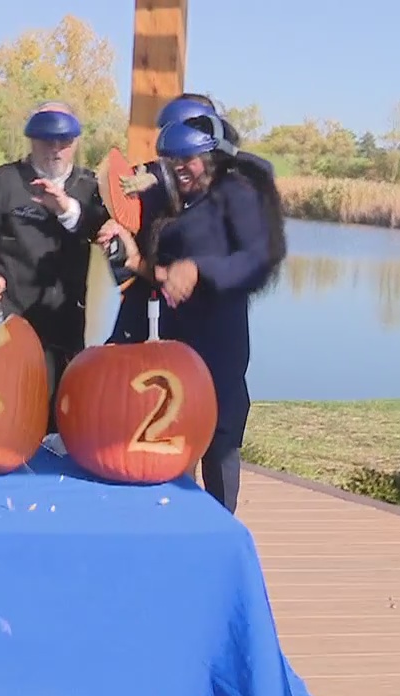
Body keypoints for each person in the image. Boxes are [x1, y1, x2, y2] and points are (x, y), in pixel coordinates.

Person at [103, 112, 287, 513]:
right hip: (176, 343)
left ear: (214, 153)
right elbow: (164, 277)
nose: (179, 168)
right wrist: (133, 262)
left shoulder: (237, 192)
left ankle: (221, 527)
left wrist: (200, 268)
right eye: (171, 160)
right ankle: (179, 526)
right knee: (175, 433)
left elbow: (258, 258)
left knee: (219, 441)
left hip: (220, 339)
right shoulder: (171, 202)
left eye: (189, 159)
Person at [0, 101, 111, 434]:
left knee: (55, 422)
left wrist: (67, 209)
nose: (54, 149)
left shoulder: (90, 188)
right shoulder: (3, 182)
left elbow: (104, 231)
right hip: (6, 318)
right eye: (45, 140)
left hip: (62, 326)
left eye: (63, 142)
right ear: (31, 140)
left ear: (75, 143)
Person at [105, 93, 275, 345]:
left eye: (186, 151)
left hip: (210, 346)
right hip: (148, 325)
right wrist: (121, 247)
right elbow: (151, 271)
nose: (175, 163)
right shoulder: (154, 187)